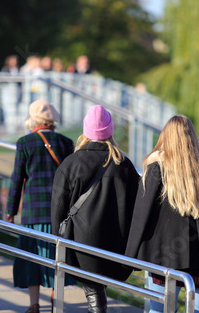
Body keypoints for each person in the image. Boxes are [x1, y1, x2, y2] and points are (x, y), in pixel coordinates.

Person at [125, 115, 199, 313]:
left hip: (165, 256)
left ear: (165, 138)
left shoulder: (156, 169)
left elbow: (141, 215)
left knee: (160, 309)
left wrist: (130, 256)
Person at [51, 105, 139, 313]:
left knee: (94, 292)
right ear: (110, 131)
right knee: (97, 288)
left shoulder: (71, 163)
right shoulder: (124, 164)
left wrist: (57, 241)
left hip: (81, 243)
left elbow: (58, 209)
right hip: (118, 242)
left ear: (85, 131)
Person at [5, 100, 74, 313]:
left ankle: (34, 305)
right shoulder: (66, 143)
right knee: (57, 258)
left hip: (32, 213)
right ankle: (56, 303)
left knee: (30, 258)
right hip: (59, 212)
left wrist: (11, 210)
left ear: (33, 119)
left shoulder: (25, 143)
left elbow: (17, 179)